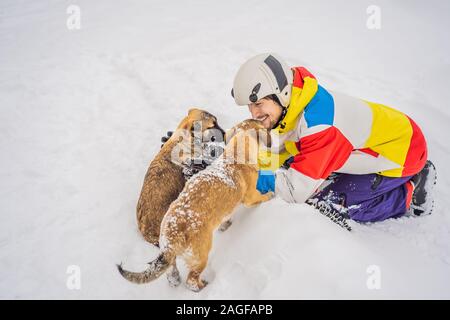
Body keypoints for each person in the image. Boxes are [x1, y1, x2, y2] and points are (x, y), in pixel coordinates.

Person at [231, 53, 436, 222]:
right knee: (296, 162)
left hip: (404, 150)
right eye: (250, 106)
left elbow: (295, 192)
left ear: (280, 93)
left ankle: (408, 193)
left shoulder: (319, 126)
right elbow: (277, 150)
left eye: (258, 104)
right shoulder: (293, 104)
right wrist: (248, 166)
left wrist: (249, 181)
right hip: (373, 140)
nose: (254, 114)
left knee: (329, 205)